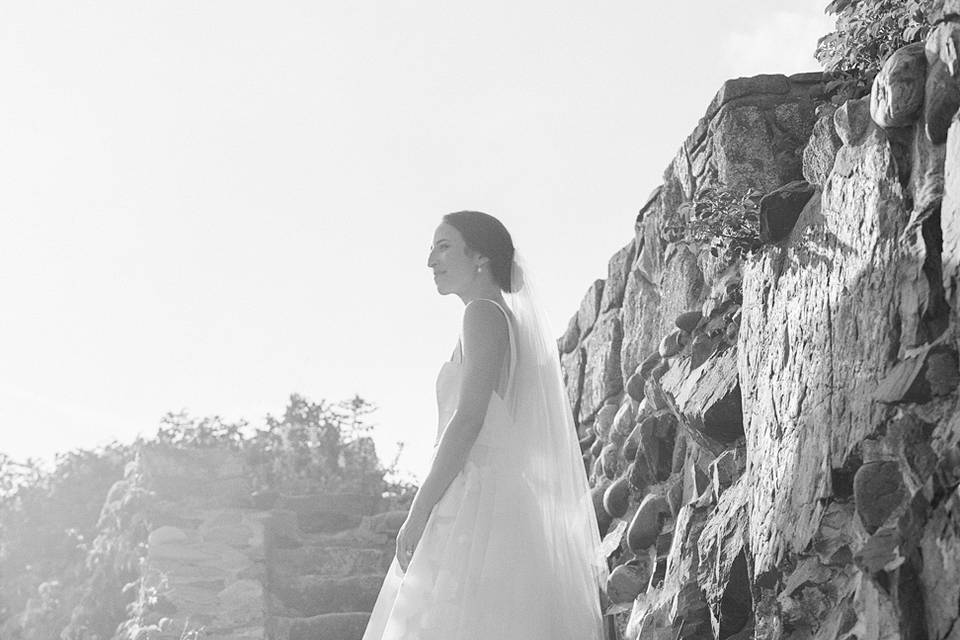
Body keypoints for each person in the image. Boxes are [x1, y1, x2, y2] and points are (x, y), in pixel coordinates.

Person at [361, 210, 608, 640]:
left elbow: (469, 419)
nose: (430, 261)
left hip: (474, 502)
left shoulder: (480, 313)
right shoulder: (502, 318)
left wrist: (417, 513)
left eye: (443, 246)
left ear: (479, 257)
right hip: (502, 501)